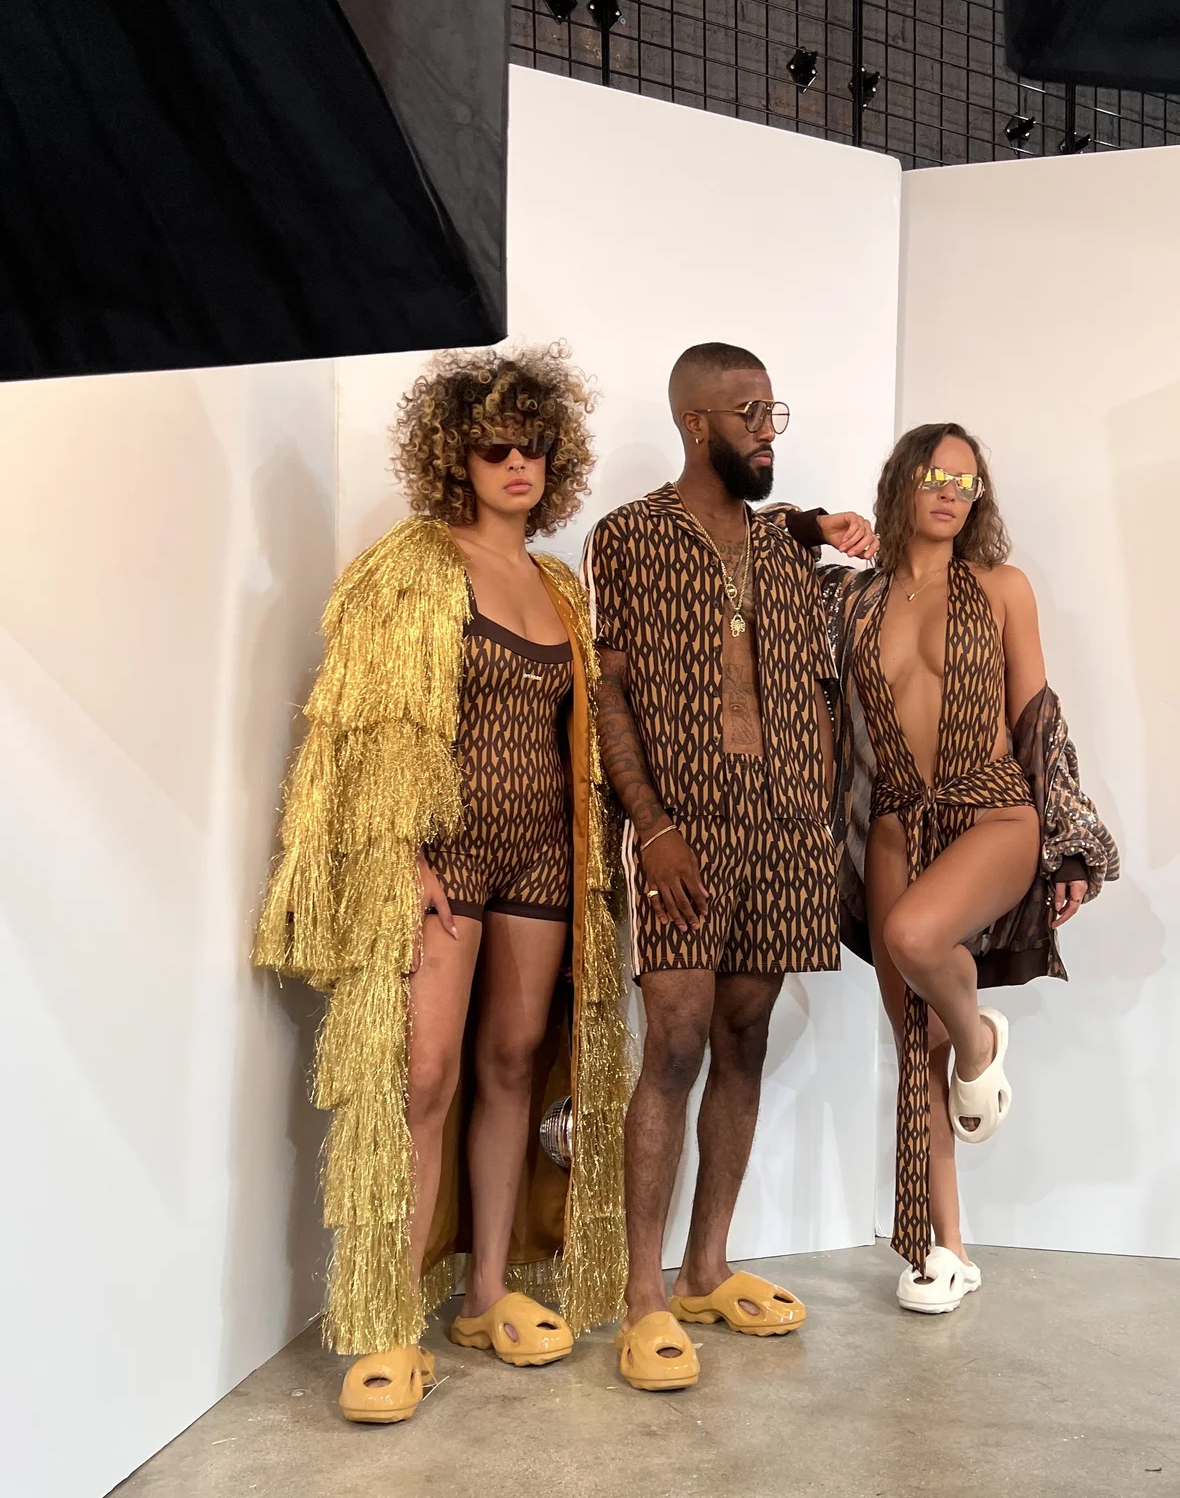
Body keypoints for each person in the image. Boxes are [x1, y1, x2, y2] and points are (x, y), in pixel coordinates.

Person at [254, 345, 628, 1424]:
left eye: (534, 445)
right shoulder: (414, 566)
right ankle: (388, 1320)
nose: (518, 463)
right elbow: (369, 726)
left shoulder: (560, 586)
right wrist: (401, 854)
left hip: (543, 857)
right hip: (447, 854)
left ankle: (488, 1289)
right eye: (495, 445)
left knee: (514, 1059)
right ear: (454, 456)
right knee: (421, 1074)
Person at [580, 341, 876, 1391]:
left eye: (773, 413)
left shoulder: (789, 548)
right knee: (674, 1041)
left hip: (788, 825)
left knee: (744, 1038)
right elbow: (610, 691)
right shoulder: (628, 537)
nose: (767, 431)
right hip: (686, 824)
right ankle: (643, 1295)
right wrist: (651, 825)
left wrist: (815, 524)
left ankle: (706, 1267)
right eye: (750, 413)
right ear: (696, 423)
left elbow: (824, 664)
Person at [831, 423, 1118, 1314]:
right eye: (935, 475)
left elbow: (1036, 716)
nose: (951, 492)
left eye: (966, 480)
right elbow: (756, 555)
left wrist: (1070, 841)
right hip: (896, 821)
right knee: (912, 1045)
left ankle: (979, 1042)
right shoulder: (853, 600)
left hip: (995, 806)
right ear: (901, 484)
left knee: (916, 936)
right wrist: (811, 526)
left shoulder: (1002, 587)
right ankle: (944, 1249)